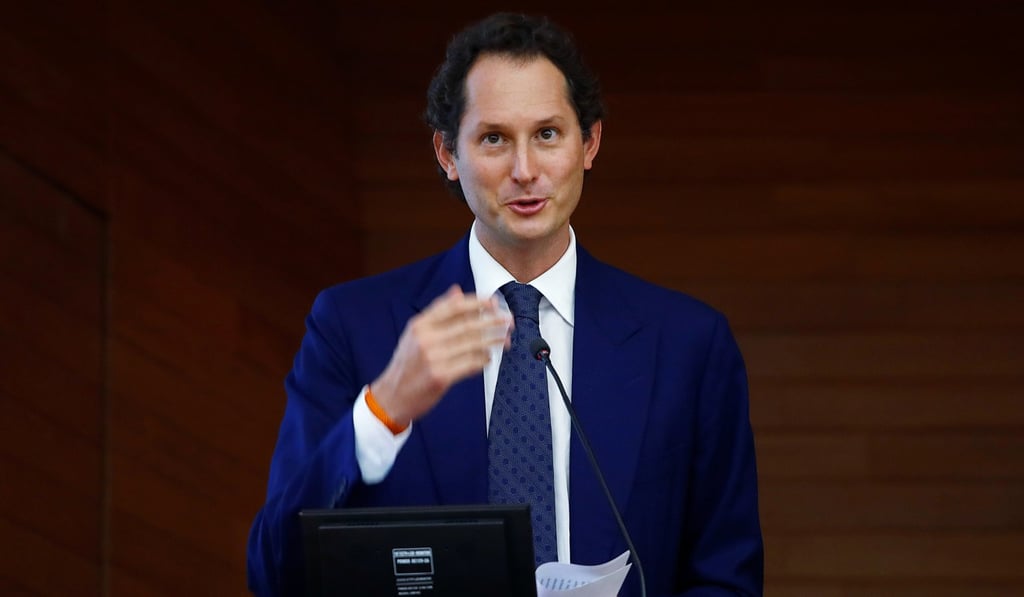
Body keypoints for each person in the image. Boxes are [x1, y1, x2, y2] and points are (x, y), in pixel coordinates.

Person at [247, 12, 763, 596]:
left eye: (547, 134)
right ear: (447, 152)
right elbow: (274, 572)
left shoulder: (689, 345)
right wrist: (382, 410)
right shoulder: (354, 326)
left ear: (589, 143)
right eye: (494, 138)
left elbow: (726, 577)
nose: (525, 171)